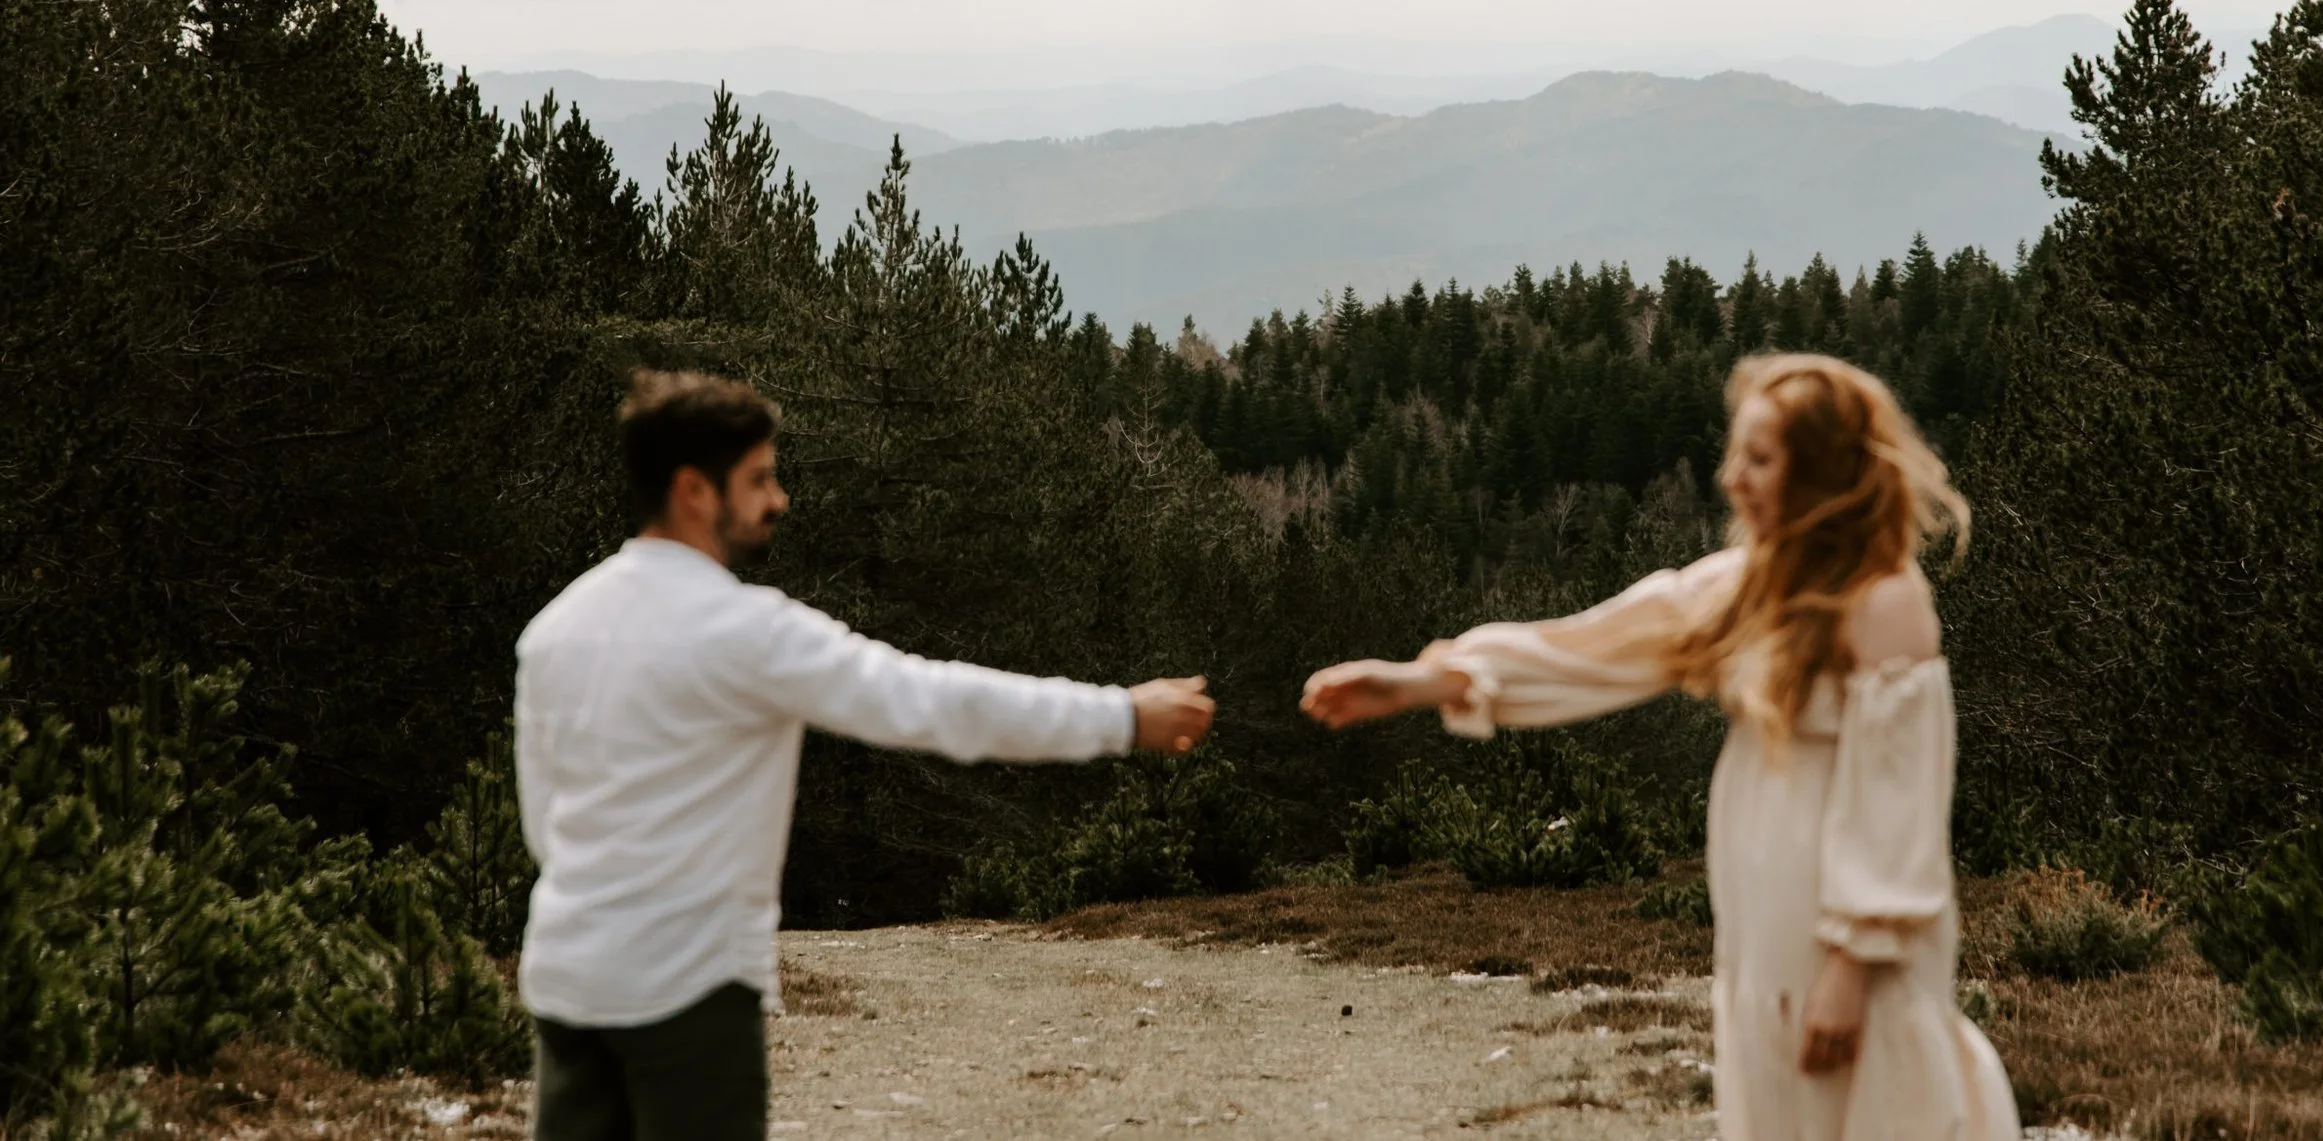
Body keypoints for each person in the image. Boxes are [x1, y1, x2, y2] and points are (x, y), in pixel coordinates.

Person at [1301, 353, 2017, 1140]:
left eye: (1760, 457)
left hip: (1847, 940)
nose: (1731, 477)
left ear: (1818, 468)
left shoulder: (1886, 600)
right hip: (1766, 931)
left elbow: (1897, 801)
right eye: (1735, 452)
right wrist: (1417, 682)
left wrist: (1852, 966)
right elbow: (1593, 645)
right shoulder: (1744, 584)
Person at [516, 370, 1216, 1141]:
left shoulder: (554, 628)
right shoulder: (746, 632)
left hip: (567, 981)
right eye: (758, 479)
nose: (778, 499)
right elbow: (930, 701)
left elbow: (547, 822)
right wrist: (1119, 715)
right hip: (688, 988)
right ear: (693, 490)